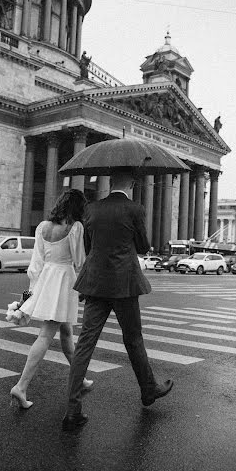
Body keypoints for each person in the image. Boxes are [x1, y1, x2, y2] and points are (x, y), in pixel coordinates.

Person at [62, 169, 173, 431]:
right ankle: (148, 390)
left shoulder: (92, 209)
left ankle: (72, 410)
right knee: (133, 339)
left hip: (96, 283)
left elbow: (90, 249)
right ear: (132, 183)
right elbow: (144, 247)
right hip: (124, 284)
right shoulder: (135, 209)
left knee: (85, 345)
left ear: (110, 182)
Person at [9, 189, 93, 409]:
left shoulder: (42, 227)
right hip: (64, 282)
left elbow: (35, 267)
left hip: (46, 280)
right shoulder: (75, 227)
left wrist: (26, 297)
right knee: (46, 335)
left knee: (66, 333)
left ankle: (80, 378)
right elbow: (79, 262)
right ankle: (21, 386)